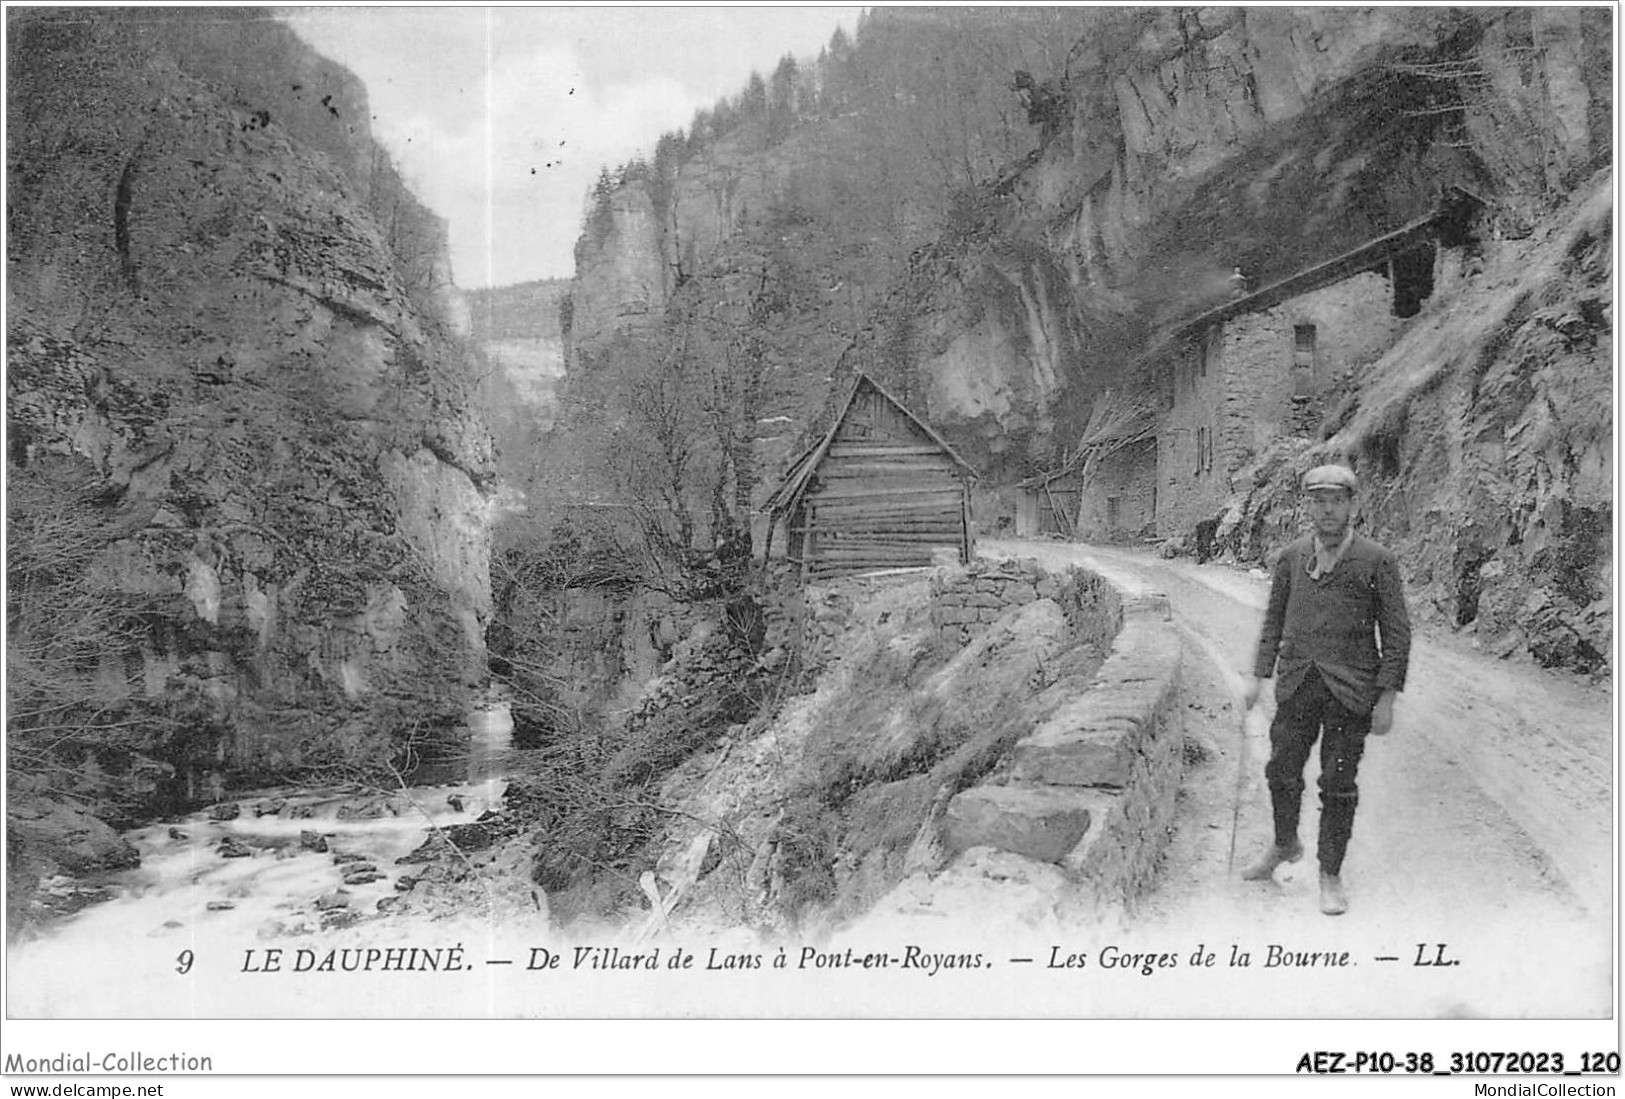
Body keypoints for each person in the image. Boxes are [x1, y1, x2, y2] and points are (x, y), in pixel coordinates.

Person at [1239, 463, 1411, 915]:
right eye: (1319, 501)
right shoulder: (1292, 558)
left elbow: (1396, 636)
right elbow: (1274, 621)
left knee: (1337, 783)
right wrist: (1257, 676)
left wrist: (1386, 698)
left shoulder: (1376, 561)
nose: (1328, 510)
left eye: (1337, 500)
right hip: (1297, 685)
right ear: (1308, 506)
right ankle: (1283, 844)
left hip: (1351, 692)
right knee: (1281, 771)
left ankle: (1329, 873)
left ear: (1352, 504)